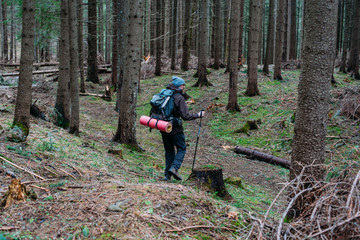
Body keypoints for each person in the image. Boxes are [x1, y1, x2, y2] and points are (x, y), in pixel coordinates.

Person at [161, 76, 205, 181]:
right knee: (182, 148)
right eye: (182, 85)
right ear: (178, 86)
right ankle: (174, 168)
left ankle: (167, 175)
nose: (184, 86)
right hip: (175, 128)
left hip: (163, 126)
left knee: (169, 151)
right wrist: (198, 115)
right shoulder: (179, 97)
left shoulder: (166, 94)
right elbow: (185, 116)